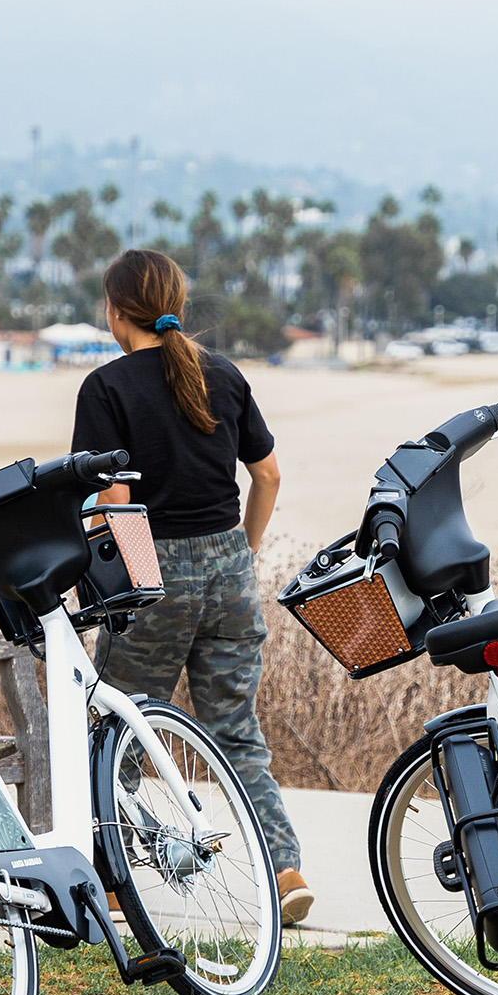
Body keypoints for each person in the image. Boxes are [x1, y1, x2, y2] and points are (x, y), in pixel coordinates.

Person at [72, 249, 310, 924]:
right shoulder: (224, 374)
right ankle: (283, 866)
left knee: (118, 724)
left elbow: (114, 499)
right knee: (236, 730)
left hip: (155, 569)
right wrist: (246, 550)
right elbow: (268, 476)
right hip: (229, 568)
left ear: (116, 311)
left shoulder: (107, 387)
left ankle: (113, 882)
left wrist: (127, 576)